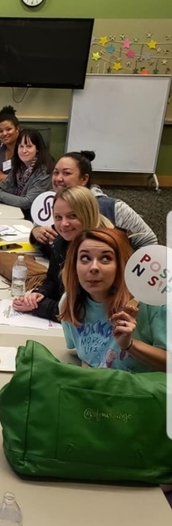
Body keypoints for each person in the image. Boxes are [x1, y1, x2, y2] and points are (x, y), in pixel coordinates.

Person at [58, 228, 166, 372]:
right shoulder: (69, 303)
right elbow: (83, 357)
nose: (94, 267)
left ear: (121, 266)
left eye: (105, 259)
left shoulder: (153, 303)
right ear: (74, 265)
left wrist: (129, 345)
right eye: (85, 258)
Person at [12, 186, 113, 321]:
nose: (64, 224)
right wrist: (39, 294)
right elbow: (53, 280)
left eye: (72, 216)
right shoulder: (62, 240)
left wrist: (37, 306)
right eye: (58, 217)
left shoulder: (101, 251)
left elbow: (81, 312)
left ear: (88, 214)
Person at [31, 150, 158, 251]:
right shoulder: (49, 201)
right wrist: (35, 233)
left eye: (66, 173)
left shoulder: (113, 208)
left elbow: (149, 242)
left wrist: (124, 266)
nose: (58, 178)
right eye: (55, 173)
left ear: (84, 179)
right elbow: (39, 231)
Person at [0, 128, 54, 215]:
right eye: (21, 146)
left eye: (29, 146)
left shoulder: (44, 171)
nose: (24, 151)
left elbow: (27, 202)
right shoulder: (19, 166)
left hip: (33, 219)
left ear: (37, 149)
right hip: (18, 212)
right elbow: (3, 187)